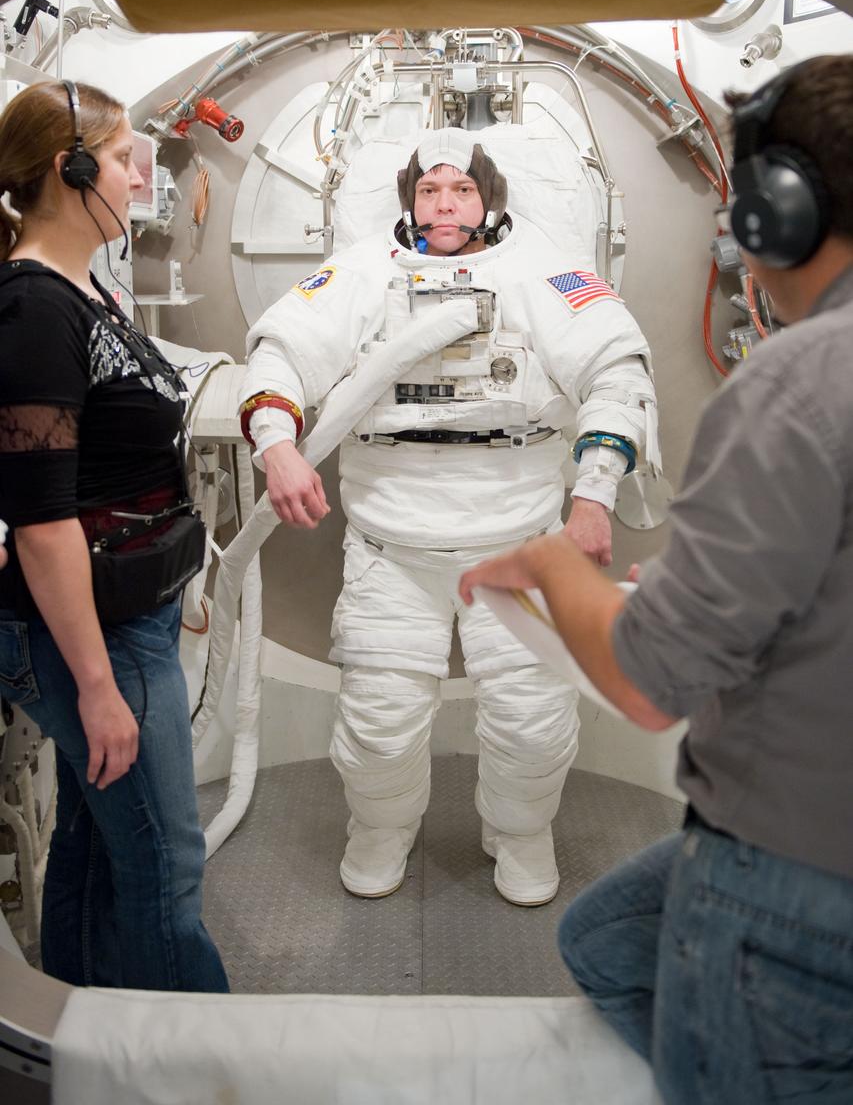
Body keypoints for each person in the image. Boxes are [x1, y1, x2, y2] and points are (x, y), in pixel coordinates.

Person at [459, 55, 853, 1101]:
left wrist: (554, 547)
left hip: (795, 872)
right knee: (605, 937)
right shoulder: (366, 270)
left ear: (778, 213)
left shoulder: (801, 381)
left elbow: (645, 684)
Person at [241, 127, 658, 905]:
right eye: (429, 190)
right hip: (393, 545)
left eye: (460, 190)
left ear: (486, 198)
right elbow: (280, 352)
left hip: (522, 538)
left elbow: (616, 368)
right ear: (408, 199)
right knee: (378, 725)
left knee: (533, 722)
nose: (443, 203)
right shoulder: (361, 271)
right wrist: (277, 443)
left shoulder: (544, 271)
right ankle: (380, 829)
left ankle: (521, 835)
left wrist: (594, 488)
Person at [0, 80, 228, 992]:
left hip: (131, 619)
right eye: (129, 160)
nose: (141, 180)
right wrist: (97, 689)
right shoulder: (32, 313)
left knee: (94, 846)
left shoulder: (85, 291)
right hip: (100, 637)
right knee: (166, 867)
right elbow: (42, 521)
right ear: (75, 169)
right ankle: (198, 1069)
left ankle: (82, 1046)